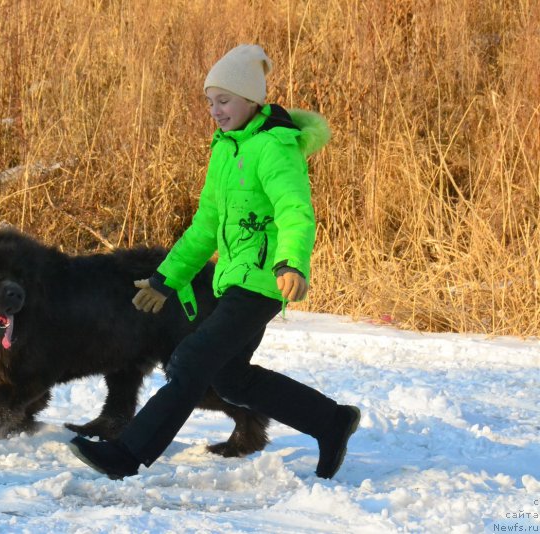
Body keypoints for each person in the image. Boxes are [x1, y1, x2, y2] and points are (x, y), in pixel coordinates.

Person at [69, 44, 360, 480]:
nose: (215, 110)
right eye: (210, 101)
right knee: (229, 380)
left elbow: (294, 210)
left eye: (223, 100)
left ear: (252, 100)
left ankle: (127, 455)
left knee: (188, 362)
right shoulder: (225, 150)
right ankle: (331, 421)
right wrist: (166, 279)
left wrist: (291, 263)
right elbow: (205, 227)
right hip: (233, 278)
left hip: (263, 280)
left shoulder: (275, 148)